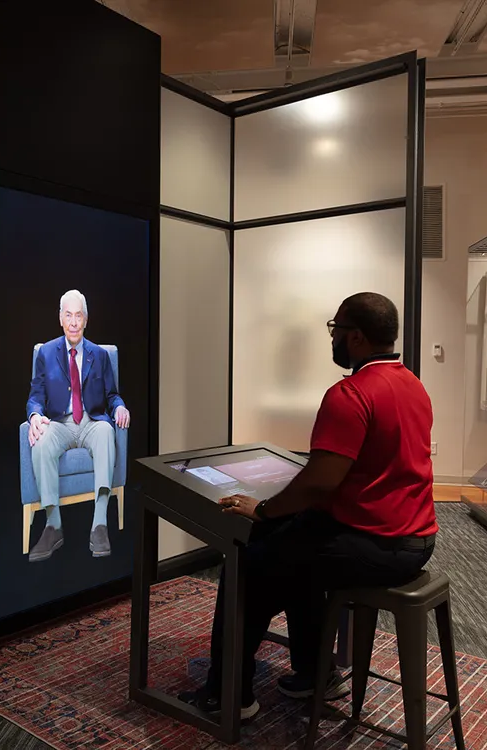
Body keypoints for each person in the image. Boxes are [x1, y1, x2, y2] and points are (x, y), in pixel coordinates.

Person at [180, 292, 437, 720]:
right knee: (295, 546)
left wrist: (262, 510)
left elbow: (319, 483)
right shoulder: (413, 385)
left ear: (355, 337)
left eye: (335, 330)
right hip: (418, 538)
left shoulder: (350, 394)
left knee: (247, 562)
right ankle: (314, 675)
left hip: (378, 545)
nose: (332, 338)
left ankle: (227, 697)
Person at [25, 289, 131, 562]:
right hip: (59, 423)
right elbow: (35, 396)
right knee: (40, 439)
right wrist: (35, 416)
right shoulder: (46, 353)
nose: (73, 322)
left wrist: (119, 406)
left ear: (86, 320)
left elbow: (111, 395)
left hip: (90, 422)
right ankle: (53, 525)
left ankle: (99, 524)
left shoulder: (100, 355)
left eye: (78, 315)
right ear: (60, 319)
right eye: (68, 315)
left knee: (108, 431)